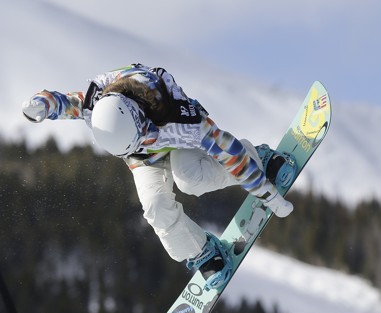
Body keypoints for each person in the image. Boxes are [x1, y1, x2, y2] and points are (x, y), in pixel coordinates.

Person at [22, 63, 293, 290]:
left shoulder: (177, 120)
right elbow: (64, 103)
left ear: (141, 121)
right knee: (154, 207)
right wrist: (40, 105)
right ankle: (202, 251)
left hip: (172, 141)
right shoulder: (97, 105)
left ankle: (260, 157)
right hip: (142, 160)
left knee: (190, 177)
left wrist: (265, 191)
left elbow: (226, 150)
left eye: (140, 139)